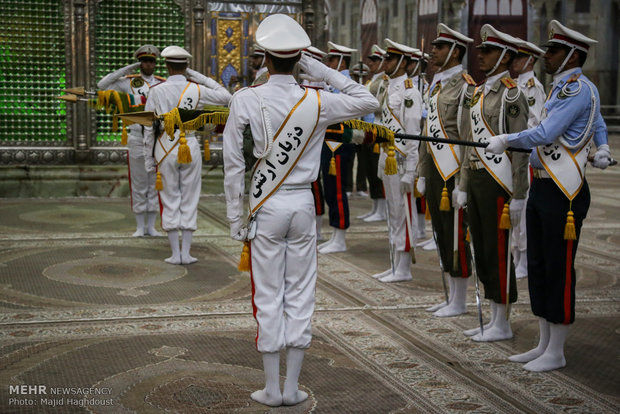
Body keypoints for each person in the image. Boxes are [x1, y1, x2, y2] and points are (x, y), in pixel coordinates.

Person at [223, 14, 378, 406]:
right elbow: (368, 100)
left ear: (264, 58)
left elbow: (233, 165)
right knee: (301, 292)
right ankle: (292, 388)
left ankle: (272, 389)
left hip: (268, 205)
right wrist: (322, 71)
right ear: (300, 59)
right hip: (304, 205)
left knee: (269, 294)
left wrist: (234, 217)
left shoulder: (246, 98)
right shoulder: (318, 99)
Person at [486, 20, 610, 371]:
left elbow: (547, 132)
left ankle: (557, 350)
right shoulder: (561, 88)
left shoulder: (577, 89)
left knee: (558, 267)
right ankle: (543, 343)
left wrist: (508, 140)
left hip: (563, 191)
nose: (547, 55)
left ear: (573, 55)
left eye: (553, 51)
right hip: (542, 183)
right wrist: (602, 145)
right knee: (538, 265)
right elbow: (598, 120)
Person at [456, 25, 530, 341]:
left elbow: (522, 147)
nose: (481, 56)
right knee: (482, 250)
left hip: (498, 182)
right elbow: (468, 140)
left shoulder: (513, 94)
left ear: (503, 56)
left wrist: (519, 193)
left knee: (498, 249)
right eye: (481, 51)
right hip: (475, 178)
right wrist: (461, 183)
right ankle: (491, 314)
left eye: (487, 52)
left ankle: (503, 319)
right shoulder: (480, 91)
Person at [143, 46, 232, 264]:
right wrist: (198, 77)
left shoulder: (156, 90)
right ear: (186, 67)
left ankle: (175, 254)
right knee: (190, 197)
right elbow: (226, 97)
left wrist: (148, 158)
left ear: (166, 66)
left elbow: (147, 127)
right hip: (189, 144)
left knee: (170, 197)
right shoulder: (196, 89)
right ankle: (187, 253)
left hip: (165, 146)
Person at [417, 23, 474, 316]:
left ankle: (461, 299)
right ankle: (451, 294)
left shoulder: (466, 86)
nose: (433, 51)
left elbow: (467, 138)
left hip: (453, 169)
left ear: (454, 52)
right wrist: (422, 171)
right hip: (436, 168)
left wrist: (463, 184)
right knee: (440, 229)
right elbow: (428, 132)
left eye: (439, 47)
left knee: (456, 233)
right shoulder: (436, 84)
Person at [97, 45, 165, 237]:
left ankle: (151, 226)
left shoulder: (162, 84)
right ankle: (139, 226)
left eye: (151, 61)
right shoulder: (129, 82)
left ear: (155, 64)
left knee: (154, 182)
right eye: (144, 61)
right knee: (138, 182)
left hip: (157, 138)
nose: (148, 64)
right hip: (136, 137)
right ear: (140, 63)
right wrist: (128, 69)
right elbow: (102, 85)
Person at [371, 38, 423, 283]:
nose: (385, 63)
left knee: (404, 211)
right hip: (387, 156)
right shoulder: (385, 87)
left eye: (390, 59)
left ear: (402, 62)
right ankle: (394, 263)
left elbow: (413, 132)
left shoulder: (410, 91)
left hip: (401, 160)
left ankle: (404, 267)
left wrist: (410, 171)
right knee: (393, 212)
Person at [508, 38, 547, 280]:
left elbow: (535, 123)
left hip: (525, 154)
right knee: (511, 209)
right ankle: (515, 253)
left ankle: (523, 256)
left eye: (519, 58)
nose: (514, 62)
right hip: (511, 154)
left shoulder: (534, 87)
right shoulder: (512, 85)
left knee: (521, 210)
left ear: (530, 60)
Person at [317, 41, 358, 254]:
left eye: (332, 59)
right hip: (329, 141)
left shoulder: (347, 84)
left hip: (340, 143)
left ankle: (340, 235)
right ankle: (335, 233)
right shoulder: (334, 84)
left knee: (338, 190)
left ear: (342, 60)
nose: (329, 63)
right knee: (331, 189)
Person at [300, 46, 328, 241]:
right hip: (301, 138)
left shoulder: (321, 85)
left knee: (315, 185)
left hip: (315, 140)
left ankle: (317, 229)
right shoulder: (303, 82)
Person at [358, 44, 388, 222]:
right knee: (370, 169)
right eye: (372, 60)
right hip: (367, 130)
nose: (372, 63)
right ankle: (375, 206)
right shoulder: (371, 81)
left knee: (377, 171)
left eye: (376, 60)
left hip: (377, 128)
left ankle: (381, 208)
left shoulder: (384, 80)